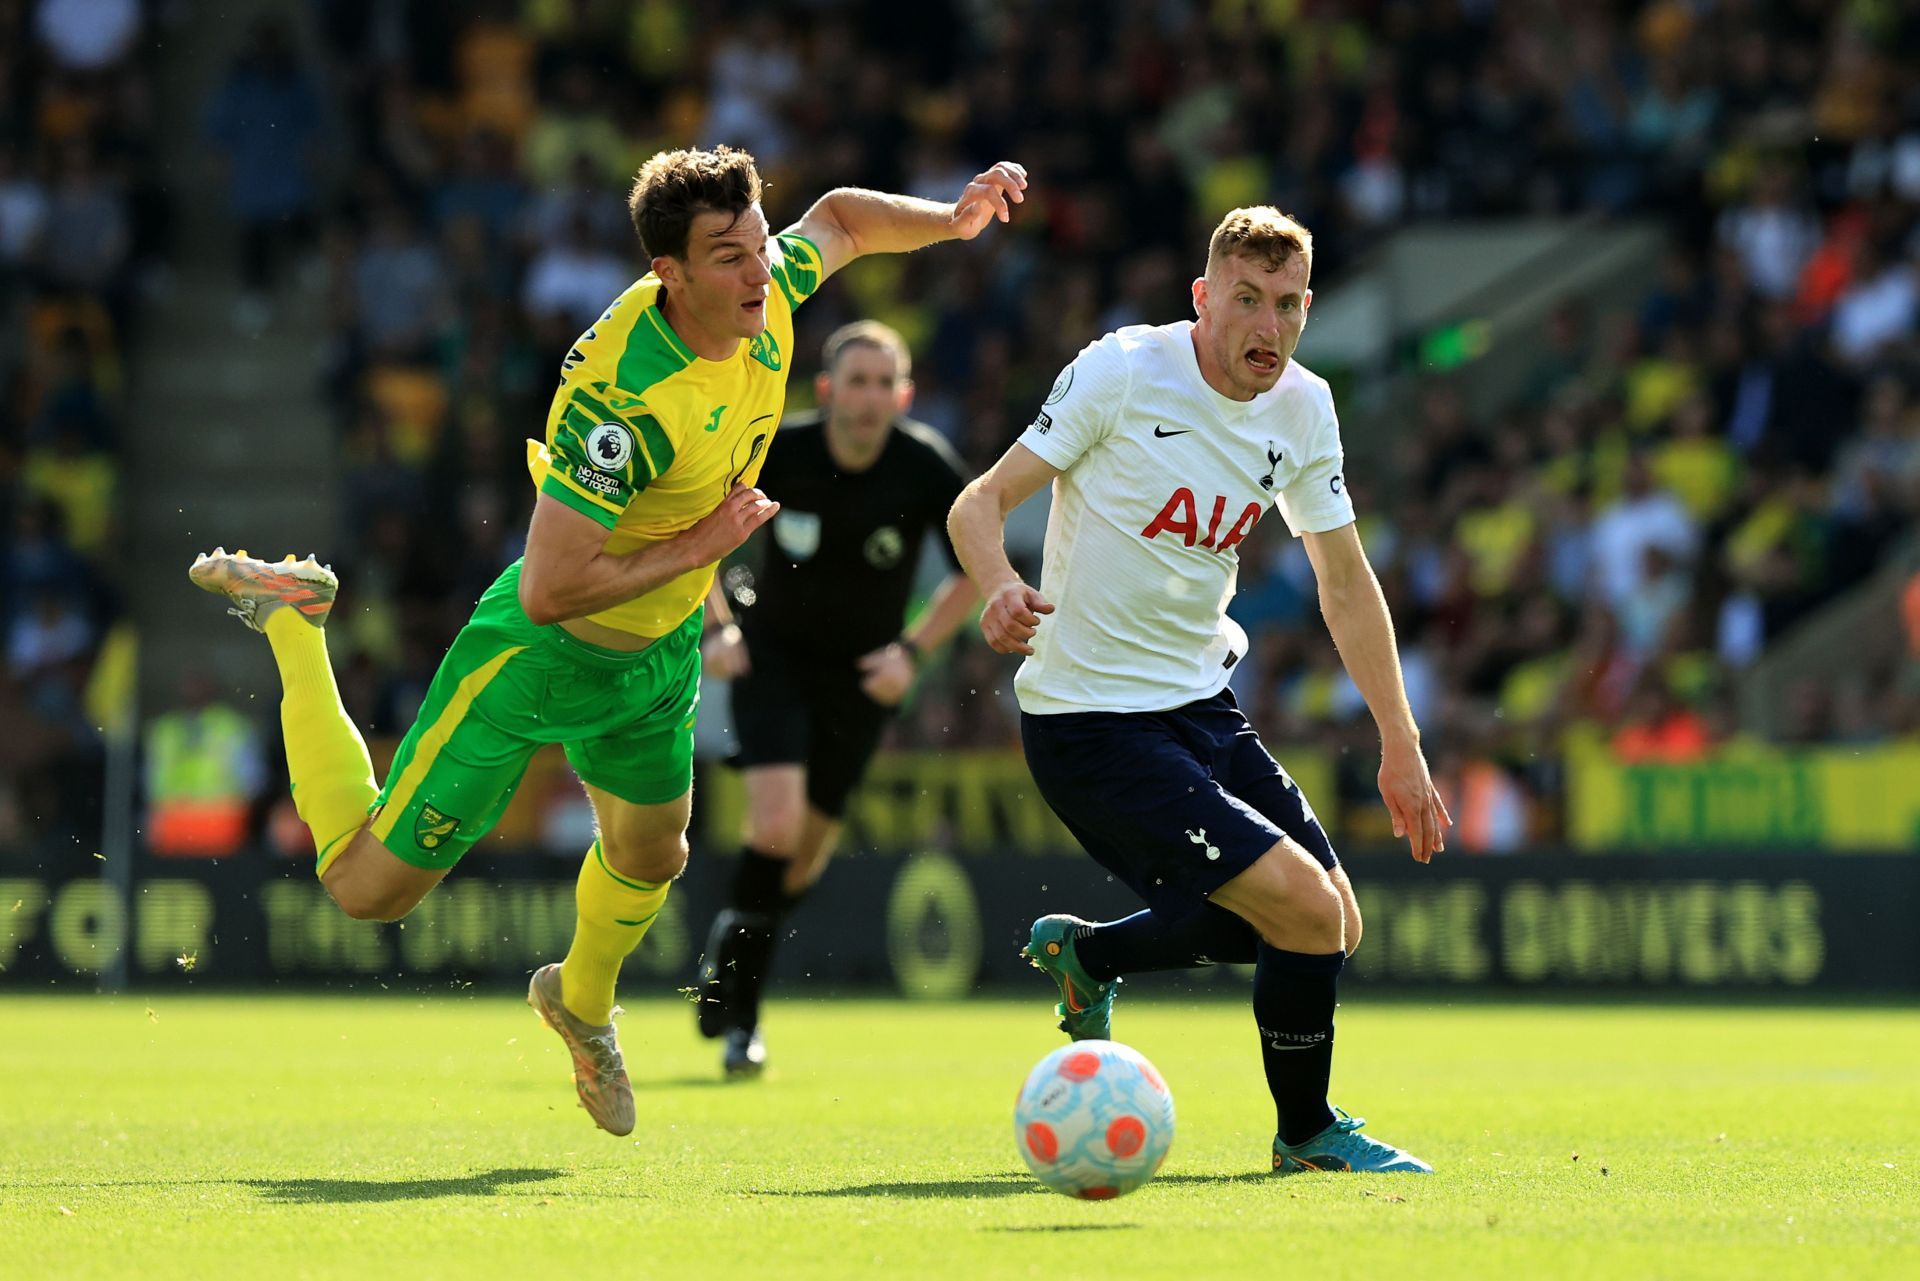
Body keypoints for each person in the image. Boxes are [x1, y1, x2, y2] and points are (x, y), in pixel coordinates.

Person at [188, 146, 1027, 1137]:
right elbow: (548, 589)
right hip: (541, 661)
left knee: (653, 850)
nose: (760, 269)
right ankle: (295, 626)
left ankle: (581, 1011)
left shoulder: (771, 292)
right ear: (669, 274)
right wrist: (700, 544)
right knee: (367, 893)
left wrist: (953, 218)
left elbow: (841, 219)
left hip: (659, 657)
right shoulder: (619, 397)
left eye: (759, 243)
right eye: (729, 256)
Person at [947, 206, 1450, 1175]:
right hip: (1090, 721)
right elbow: (980, 502)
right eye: (1247, 301)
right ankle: (1305, 1136)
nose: (1268, 327)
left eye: (1290, 306)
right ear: (1202, 298)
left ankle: (1093, 956)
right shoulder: (1123, 371)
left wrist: (1402, 740)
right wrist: (999, 586)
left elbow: (1344, 582)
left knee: (1331, 925)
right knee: (1300, 913)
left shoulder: (1304, 406)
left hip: (1197, 707)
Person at [694, 319, 978, 1077]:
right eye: (856, 380)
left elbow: (977, 565)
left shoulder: (923, 466)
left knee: (800, 863)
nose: (870, 396)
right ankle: (741, 1017)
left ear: (905, 394)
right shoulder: (780, 451)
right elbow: (699, 531)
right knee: (778, 826)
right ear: (826, 390)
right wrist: (718, 629)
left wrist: (912, 653)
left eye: (885, 383)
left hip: (863, 679)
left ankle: (732, 936)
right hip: (774, 661)